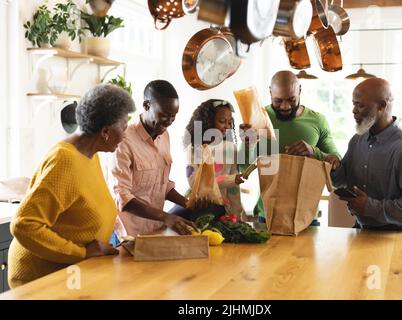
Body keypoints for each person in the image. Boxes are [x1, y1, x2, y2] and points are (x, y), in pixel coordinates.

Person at [8, 84, 135, 288]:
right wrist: (82, 253)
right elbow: (24, 224)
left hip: (73, 273)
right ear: (105, 131)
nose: (125, 135)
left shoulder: (89, 155)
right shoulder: (64, 161)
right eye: (124, 128)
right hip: (40, 279)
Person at [331, 78, 402, 232]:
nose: (354, 110)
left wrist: (370, 207)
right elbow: (342, 182)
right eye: (353, 104)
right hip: (362, 230)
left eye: (360, 105)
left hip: (398, 234)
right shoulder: (357, 140)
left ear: (382, 106)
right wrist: (335, 168)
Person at [240, 70, 341, 224]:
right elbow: (243, 167)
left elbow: (336, 161)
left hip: (307, 216)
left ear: (300, 90)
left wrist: (314, 152)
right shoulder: (258, 119)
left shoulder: (317, 121)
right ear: (270, 92)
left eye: (291, 100)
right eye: (278, 101)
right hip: (267, 215)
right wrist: (248, 145)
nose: (285, 106)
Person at [108, 80, 196, 241]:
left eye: (173, 116)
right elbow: (121, 196)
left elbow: (162, 185)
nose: (169, 121)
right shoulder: (124, 140)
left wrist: (187, 203)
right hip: (127, 235)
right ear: (147, 105)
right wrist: (165, 217)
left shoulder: (164, 135)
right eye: (164, 115)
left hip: (154, 230)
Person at [170, 99, 246, 221]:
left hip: (220, 204)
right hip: (196, 201)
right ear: (208, 121)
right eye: (222, 121)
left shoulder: (231, 149)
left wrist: (236, 215)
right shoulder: (194, 148)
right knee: (171, 219)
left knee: (199, 223)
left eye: (229, 122)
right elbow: (195, 181)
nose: (227, 126)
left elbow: (234, 190)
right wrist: (231, 179)